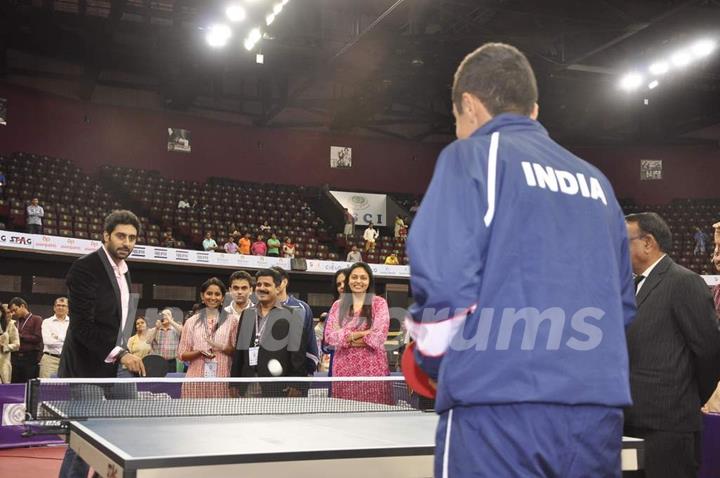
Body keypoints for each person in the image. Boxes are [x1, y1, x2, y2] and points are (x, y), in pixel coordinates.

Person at [405, 43, 635, 477]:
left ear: (469, 105)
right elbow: (621, 306)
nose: (458, 131)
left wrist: (432, 363)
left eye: (456, 120)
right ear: (533, 110)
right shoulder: (598, 183)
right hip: (596, 415)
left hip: (497, 409)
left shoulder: (473, 156)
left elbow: (443, 282)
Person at [624, 212, 720, 478]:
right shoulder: (631, 286)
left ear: (648, 242)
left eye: (624, 240)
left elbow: (709, 351)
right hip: (632, 420)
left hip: (668, 425)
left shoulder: (683, 282)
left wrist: (687, 397)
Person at [58, 210, 145, 478]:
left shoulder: (125, 270)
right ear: (105, 235)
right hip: (86, 366)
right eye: (121, 236)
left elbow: (118, 320)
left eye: (132, 238)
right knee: (86, 438)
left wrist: (123, 351)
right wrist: (121, 354)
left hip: (116, 363)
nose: (127, 243)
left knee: (125, 429)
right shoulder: (85, 268)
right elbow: (82, 326)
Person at [231, 269, 308, 397]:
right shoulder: (247, 314)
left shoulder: (293, 315)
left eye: (267, 285)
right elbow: (239, 352)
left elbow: (298, 355)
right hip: (248, 383)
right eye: (259, 285)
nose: (262, 288)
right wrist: (234, 383)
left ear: (277, 288)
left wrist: (296, 383)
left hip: (278, 385)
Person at [325, 262, 391, 403]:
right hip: (343, 371)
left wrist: (345, 337)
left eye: (363, 278)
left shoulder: (379, 303)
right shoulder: (338, 305)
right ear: (348, 280)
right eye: (354, 277)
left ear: (369, 281)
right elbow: (330, 337)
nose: (358, 281)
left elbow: (378, 338)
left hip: (373, 371)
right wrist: (364, 333)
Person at [177, 278, 238, 398]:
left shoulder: (232, 321)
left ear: (222, 298)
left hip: (222, 382)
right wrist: (199, 352)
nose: (213, 297)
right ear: (202, 296)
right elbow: (182, 354)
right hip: (195, 383)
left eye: (217, 294)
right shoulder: (191, 322)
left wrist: (221, 347)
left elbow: (236, 352)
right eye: (209, 293)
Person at [271, 266, 319, 375]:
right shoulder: (261, 309)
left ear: (284, 282)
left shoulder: (302, 308)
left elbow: (310, 343)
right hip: (268, 374)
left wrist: (305, 373)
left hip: (297, 374)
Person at [7, 297, 43, 383]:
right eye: (12, 311)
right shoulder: (15, 322)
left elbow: (38, 338)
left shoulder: (37, 319)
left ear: (22, 306)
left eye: (15, 310)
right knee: (14, 384)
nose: (14, 313)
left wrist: (20, 336)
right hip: (14, 358)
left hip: (30, 358)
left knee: (28, 384)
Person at [322, 269, 348, 376]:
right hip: (336, 360)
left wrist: (340, 333)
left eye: (345, 282)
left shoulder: (368, 308)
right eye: (339, 284)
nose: (341, 286)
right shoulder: (334, 309)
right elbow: (328, 341)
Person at [39, 297, 70, 379]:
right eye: (58, 305)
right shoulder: (47, 322)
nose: (60, 307)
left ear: (68, 308)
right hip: (50, 360)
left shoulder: (72, 323)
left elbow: (73, 343)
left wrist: (58, 337)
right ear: (54, 308)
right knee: (46, 388)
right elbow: (48, 342)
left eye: (63, 306)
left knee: (67, 388)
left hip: (67, 360)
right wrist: (65, 341)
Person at [0, 305, 19, 384]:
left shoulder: (11, 325)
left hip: (4, 363)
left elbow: (17, 345)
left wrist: (4, 347)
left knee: (4, 391)